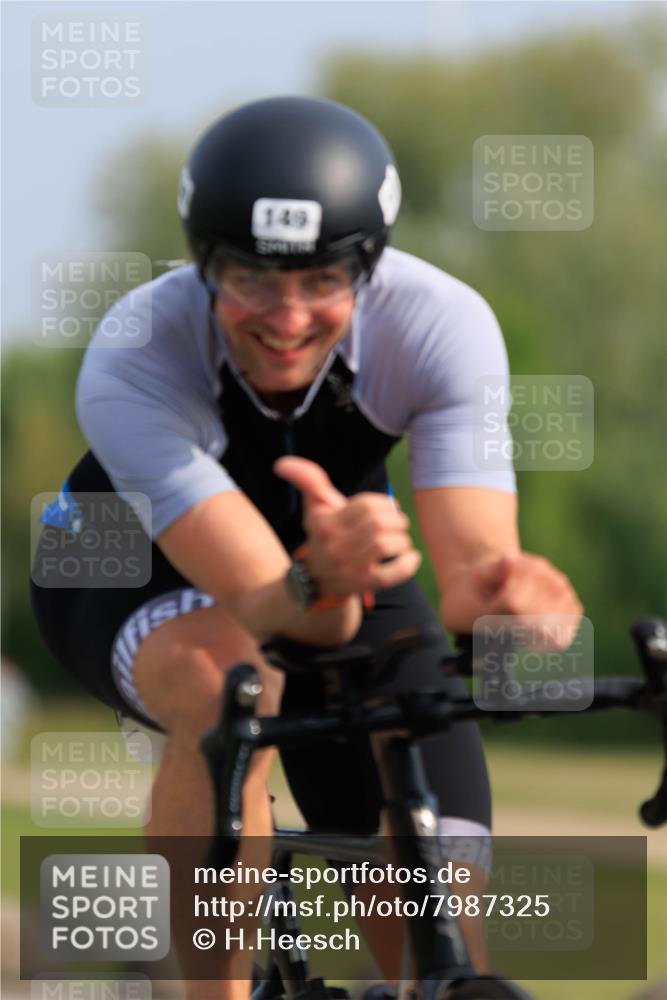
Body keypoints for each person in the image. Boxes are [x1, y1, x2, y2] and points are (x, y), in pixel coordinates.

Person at [31, 95, 582, 998]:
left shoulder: (440, 323)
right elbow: (277, 612)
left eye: (323, 279)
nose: (287, 317)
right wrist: (317, 583)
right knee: (228, 686)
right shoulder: (136, 352)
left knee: (433, 868)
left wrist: (512, 600)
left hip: (339, 552)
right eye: (251, 277)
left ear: (369, 265)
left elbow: (470, 575)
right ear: (203, 263)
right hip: (127, 559)